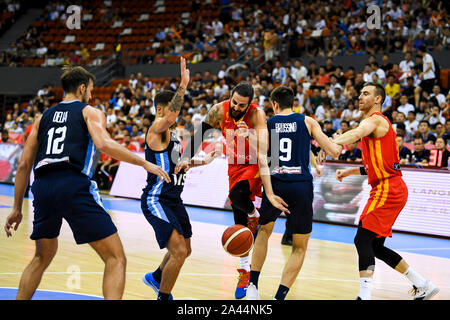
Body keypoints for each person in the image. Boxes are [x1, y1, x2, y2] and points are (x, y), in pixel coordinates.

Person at [3, 66, 170, 300]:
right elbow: (103, 144)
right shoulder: (89, 112)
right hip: (73, 185)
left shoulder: (42, 119)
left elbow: (23, 165)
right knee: (115, 257)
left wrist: (16, 208)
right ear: (82, 88)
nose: (91, 96)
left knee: (42, 256)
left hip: (42, 187)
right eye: (90, 90)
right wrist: (143, 163)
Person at [327, 82, 439, 300]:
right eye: (360, 93)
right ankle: (422, 284)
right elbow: (372, 166)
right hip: (390, 186)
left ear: (377, 99)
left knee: (362, 239)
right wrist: (348, 172)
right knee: (375, 245)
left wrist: (331, 142)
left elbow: (357, 133)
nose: (360, 97)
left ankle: (365, 296)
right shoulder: (375, 126)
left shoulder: (375, 120)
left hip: (388, 188)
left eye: (366, 93)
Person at [246, 86, 342, 300]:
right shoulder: (307, 121)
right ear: (293, 103)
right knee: (299, 247)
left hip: (276, 185)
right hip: (300, 187)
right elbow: (334, 150)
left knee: (263, 232)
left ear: (275, 104)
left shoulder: (268, 124)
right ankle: (279, 296)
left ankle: (252, 286)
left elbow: (261, 155)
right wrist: (337, 141)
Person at [180, 81, 266, 299]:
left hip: (255, 163)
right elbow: (200, 135)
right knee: (239, 226)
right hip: (234, 165)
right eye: (235, 102)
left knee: (238, 196)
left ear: (250, 104)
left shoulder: (257, 115)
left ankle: (254, 213)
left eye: (242, 105)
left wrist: (251, 136)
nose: (237, 107)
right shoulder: (219, 110)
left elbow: (267, 148)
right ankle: (244, 271)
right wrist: (185, 159)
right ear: (231, 96)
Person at [140, 57, 216, 300]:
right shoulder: (155, 130)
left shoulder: (171, 135)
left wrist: (200, 161)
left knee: (186, 249)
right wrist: (183, 85)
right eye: (173, 110)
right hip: (156, 199)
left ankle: (155, 276)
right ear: (160, 109)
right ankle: (163, 297)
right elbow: (171, 117)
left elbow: (178, 164)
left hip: (174, 199)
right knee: (179, 251)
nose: (176, 115)